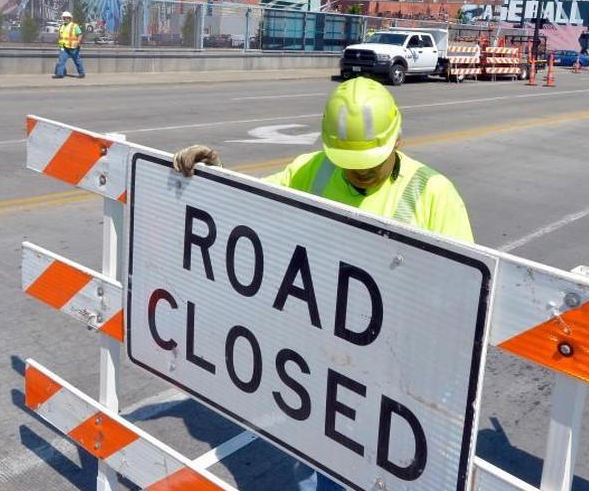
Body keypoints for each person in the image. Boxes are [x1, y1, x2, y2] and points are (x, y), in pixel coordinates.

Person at [173, 76, 473, 490]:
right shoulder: (313, 170)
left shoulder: (433, 194)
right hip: (329, 373)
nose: (361, 171)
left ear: (398, 139)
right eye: (351, 161)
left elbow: (463, 304)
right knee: (335, 470)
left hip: (399, 377)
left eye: (371, 160)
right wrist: (213, 177)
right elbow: (249, 207)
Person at [53, 10, 85, 79]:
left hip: (73, 47)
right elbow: (60, 36)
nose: (65, 19)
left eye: (67, 18)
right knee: (61, 61)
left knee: (77, 61)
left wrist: (78, 42)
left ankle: (81, 73)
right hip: (64, 47)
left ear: (70, 18)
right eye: (64, 18)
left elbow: (80, 34)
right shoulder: (61, 26)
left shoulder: (74, 26)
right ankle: (60, 74)